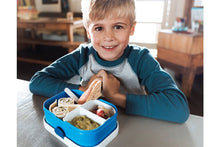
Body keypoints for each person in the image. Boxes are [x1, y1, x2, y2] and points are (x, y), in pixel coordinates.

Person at [29, 0, 189, 123]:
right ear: (88, 31)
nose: (108, 37)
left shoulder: (140, 59)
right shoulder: (82, 56)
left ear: (132, 28)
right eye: (99, 28)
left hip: (133, 126)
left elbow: (178, 108)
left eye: (118, 27)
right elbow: (37, 82)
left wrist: (114, 96)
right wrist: (83, 90)